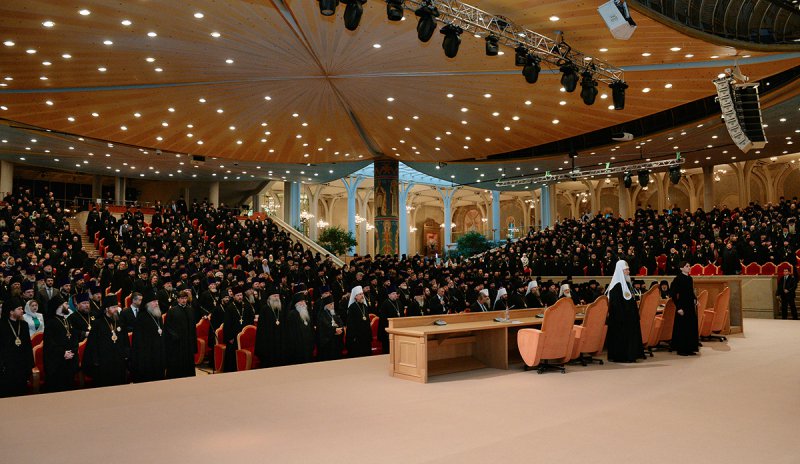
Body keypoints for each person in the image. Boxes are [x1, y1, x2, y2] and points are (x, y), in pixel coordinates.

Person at [83, 295, 129, 387]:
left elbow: (125, 340)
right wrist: (96, 360)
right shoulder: (98, 324)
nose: (116, 309)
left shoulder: (120, 321)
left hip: (119, 360)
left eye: (116, 307)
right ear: (106, 309)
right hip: (104, 361)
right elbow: (93, 344)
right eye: (113, 307)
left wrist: (126, 353)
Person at [605, 260, 645, 363]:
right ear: (620, 271)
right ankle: (622, 357)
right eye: (626, 270)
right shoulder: (616, 286)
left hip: (629, 318)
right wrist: (626, 315)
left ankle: (631, 355)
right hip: (620, 320)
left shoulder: (627, 284)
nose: (628, 271)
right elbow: (616, 306)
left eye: (628, 269)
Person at [42, 300, 79, 392]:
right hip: (58, 362)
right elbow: (50, 343)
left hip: (70, 359)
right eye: (66, 304)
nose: (68, 306)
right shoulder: (50, 323)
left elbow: (74, 338)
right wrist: (63, 353)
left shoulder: (67, 320)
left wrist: (72, 351)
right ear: (58, 306)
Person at [0, 298, 33, 397]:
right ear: (11, 312)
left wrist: (29, 365)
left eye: (22, 308)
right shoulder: (2, 325)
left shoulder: (24, 325)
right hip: (7, 367)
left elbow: (28, 346)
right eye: (19, 309)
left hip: (22, 365)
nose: (22, 311)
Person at [130, 298, 166, 382]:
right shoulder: (141, 317)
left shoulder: (158, 315)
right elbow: (139, 341)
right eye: (154, 301)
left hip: (158, 352)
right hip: (147, 355)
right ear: (147, 304)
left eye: (157, 301)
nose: (157, 303)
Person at [164, 290, 196, 378]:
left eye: (185, 298)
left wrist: (193, 342)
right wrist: (175, 336)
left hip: (188, 343)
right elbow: (167, 327)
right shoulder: (172, 311)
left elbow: (193, 327)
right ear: (178, 299)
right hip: (177, 343)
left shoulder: (190, 310)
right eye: (182, 298)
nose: (184, 300)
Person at [671, 261, 700, 356]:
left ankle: (690, 348)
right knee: (682, 328)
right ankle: (681, 349)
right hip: (682, 305)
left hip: (690, 306)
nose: (689, 267)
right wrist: (678, 307)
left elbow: (691, 292)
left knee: (691, 327)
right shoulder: (678, 279)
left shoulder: (690, 278)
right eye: (687, 266)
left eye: (689, 266)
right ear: (681, 268)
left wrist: (695, 299)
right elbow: (673, 294)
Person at [255, 287, 284, 367]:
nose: (276, 298)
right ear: (269, 298)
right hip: (269, 343)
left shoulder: (281, 309)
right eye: (274, 296)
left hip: (280, 341)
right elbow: (261, 330)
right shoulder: (264, 309)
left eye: (277, 296)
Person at [284, 293, 315, 365]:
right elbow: (290, 334)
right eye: (301, 302)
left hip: (308, 346)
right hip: (297, 347)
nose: (303, 303)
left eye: (304, 301)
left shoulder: (306, 313)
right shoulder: (292, 314)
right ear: (296, 304)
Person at [346, 286, 372, 358]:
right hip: (357, 338)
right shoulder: (352, 307)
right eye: (360, 294)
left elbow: (368, 322)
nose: (362, 296)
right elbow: (350, 324)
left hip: (366, 337)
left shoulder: (365, 306)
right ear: (355, 297)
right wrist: (353, 337)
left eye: (362, 294)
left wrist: (369, 335)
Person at [316, 295, 343, 361]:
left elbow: (340, 322)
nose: (333, 306)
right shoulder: (322, 315)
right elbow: (325, 326)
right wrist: (334, 330)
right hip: (328, 343)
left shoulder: (334, 313)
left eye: (333, 304)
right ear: (326, 305)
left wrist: (340, 328)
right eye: (331, 304)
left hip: (336, 340)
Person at [377, 285, 401, 353]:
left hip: (397, 330)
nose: (395, 295)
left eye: (395, 293)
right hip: (387, 332)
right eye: (393, 294)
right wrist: (388, 330)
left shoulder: (399, 303)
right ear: (389, 295)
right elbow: (383, 320)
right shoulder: (385, 304)